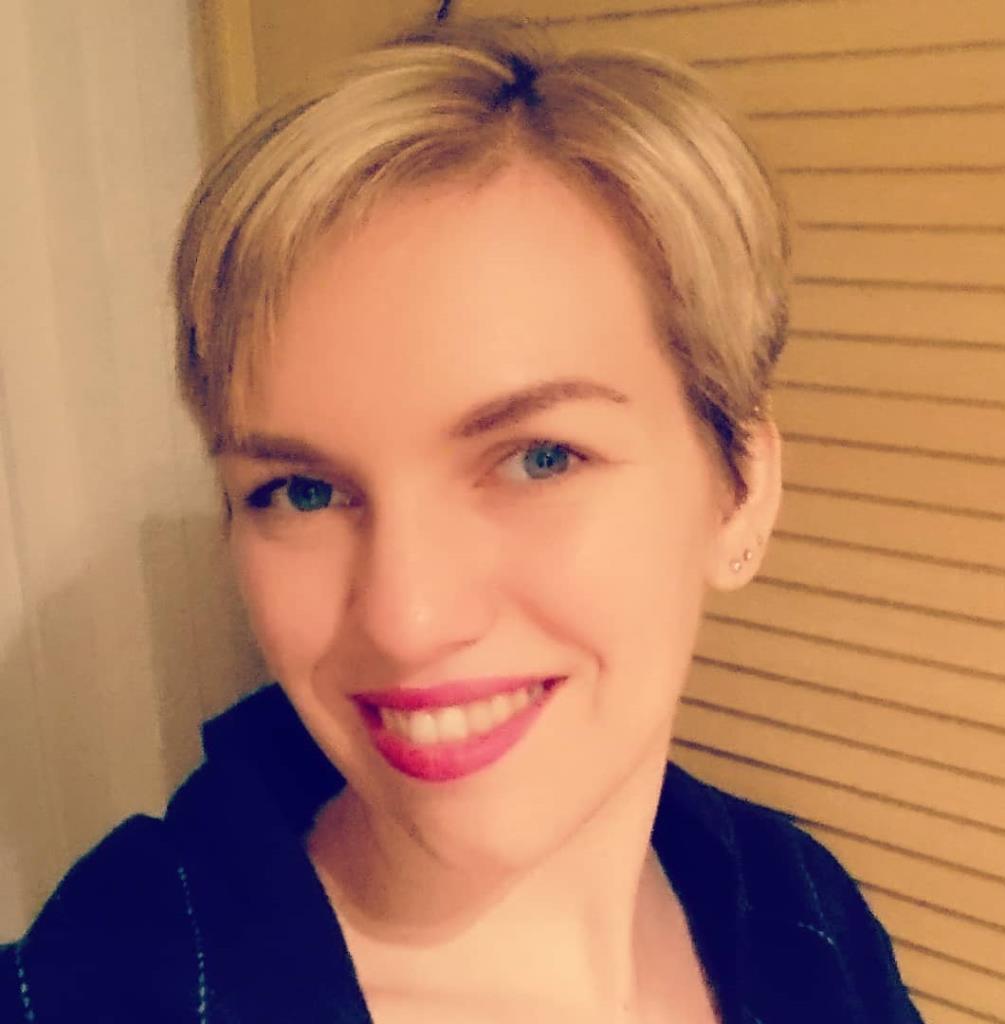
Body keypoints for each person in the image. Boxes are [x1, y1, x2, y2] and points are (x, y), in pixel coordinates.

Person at [0, 17, 924, 1024]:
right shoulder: (101, 992)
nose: (406, 620)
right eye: (302, 490)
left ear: (740, 487)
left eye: (537, 458)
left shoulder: (805, 915)